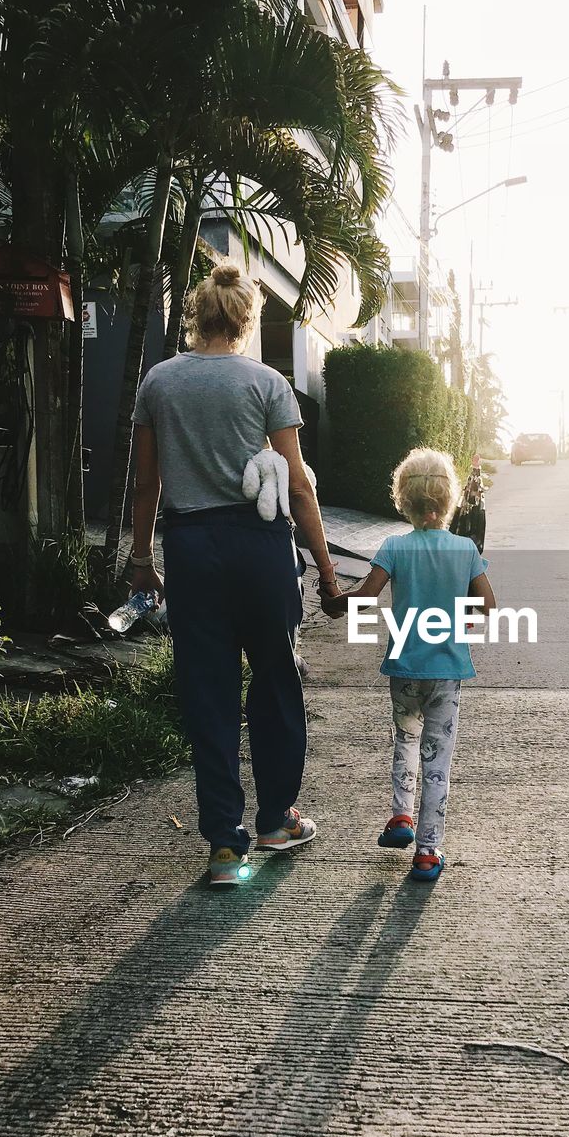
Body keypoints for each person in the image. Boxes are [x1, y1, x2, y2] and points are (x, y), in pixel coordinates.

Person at [128, 260, 343, 886]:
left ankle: (225, 846)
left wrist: (142, 561)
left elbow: (148, 485)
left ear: (196, 315)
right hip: (259, 548)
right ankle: (276, 819)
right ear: (246, 320)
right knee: (277, 677)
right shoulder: (266, 383)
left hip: (192, 548)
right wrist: (327, 572)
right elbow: (297, 487)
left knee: (208, 691)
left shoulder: (158, 383)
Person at [323, 448, 496, 881]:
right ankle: (428, 851)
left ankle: (401, 817)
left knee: (405, 740)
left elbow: (366, 597)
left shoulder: (394, 547)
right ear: (449, 497)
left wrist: (335, 600)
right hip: (448, 671)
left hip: (404, 667)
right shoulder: (464, 549)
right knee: (438, 759)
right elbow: (488, 604)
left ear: (402, 498)